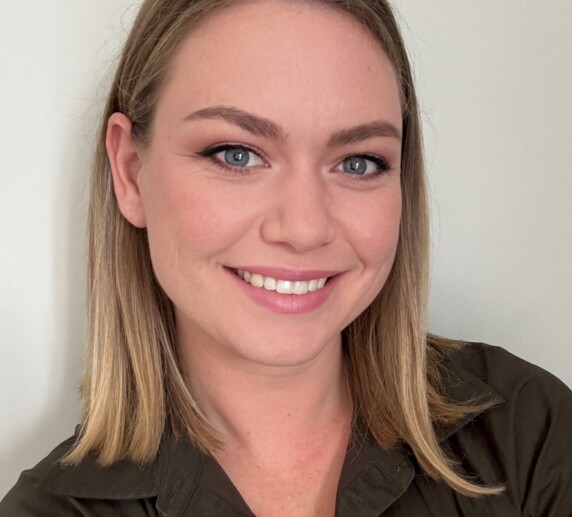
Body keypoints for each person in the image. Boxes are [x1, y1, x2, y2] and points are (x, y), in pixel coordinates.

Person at [1, 0, 571, 515]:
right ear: (130, 172)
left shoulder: (527, 433)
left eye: (358, 162)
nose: (304, 229)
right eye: (236, 154)